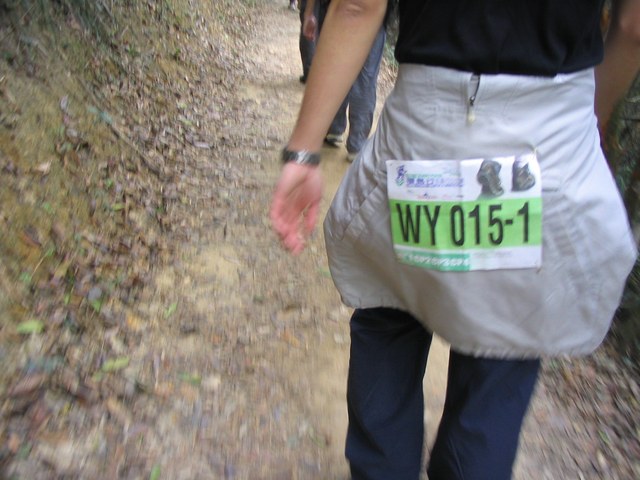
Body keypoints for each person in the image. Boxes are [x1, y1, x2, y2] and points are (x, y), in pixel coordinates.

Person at [271, 0, 640, 479]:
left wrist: (304, 151)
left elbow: (358, 6)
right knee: (506, 342)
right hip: (549, 138)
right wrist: (587, 117)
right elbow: (633, 27)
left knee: (390, 307)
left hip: (422, 132)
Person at [302, 0, 385, 162]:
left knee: (335, 70)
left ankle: (334, 127)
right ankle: (357, 144)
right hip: (374, 14)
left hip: (337, 12)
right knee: (365, 80)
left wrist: (309, 13)